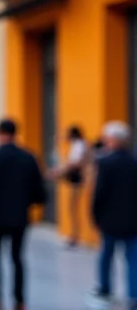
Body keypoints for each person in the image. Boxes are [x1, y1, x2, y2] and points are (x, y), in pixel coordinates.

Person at [0, 119, 47, 310]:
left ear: (0, 133)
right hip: (19, 215)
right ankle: (19, 300)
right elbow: (39, 192)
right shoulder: (28, 157)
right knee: (17, 258)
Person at [87, 122, 137, 309]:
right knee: (133, 259)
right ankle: (134, 295)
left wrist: (95, 215)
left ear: (113, 140)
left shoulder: (105, 163)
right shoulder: (134, 162)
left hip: (109, 219)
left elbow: (99, 192)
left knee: (106, 256)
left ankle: (105, 289)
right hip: (133, 220)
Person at [47, 126, 87, 247]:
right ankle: (74, 235)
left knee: (73, 208)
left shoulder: (79, 145)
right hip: (74, 179)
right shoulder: (76, 145)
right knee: (72, 208)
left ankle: (75, 236)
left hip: (77, 180)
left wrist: (59, 172)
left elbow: (75, 163)